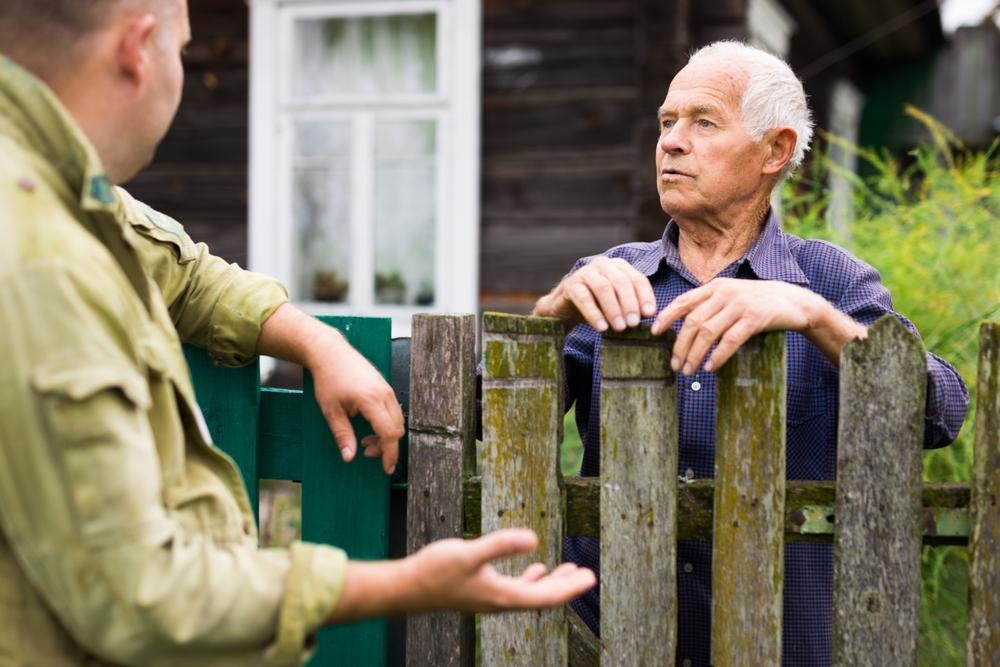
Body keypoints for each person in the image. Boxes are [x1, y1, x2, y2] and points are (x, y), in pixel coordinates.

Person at [0, 1, 595, 664]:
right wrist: (409, 583)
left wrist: (319, 342)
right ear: (138, 50)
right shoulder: (38, 260)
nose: (183, 73)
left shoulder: (57, 191)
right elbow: (140, 595)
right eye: (184, 50)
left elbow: (183, 275)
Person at [532, 41, 969, 666]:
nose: (671, 142)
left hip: (780, 645)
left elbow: (939, 415)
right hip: (612, 643)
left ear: (775, 151)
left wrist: (814, 316)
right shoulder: (610, 278)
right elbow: (495, 418)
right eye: (666, 122)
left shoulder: (830, 281)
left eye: (704, 122)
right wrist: (553, 315)